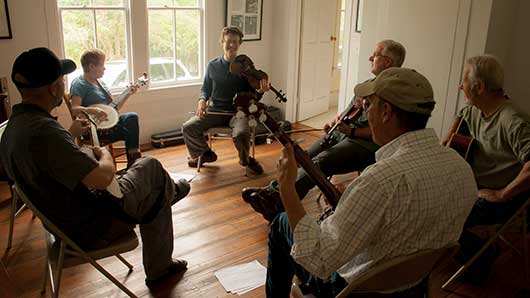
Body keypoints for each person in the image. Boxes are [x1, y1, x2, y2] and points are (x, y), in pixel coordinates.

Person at [265, 67, 478, 297]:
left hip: (353, 290)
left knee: (281, 223)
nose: (366, 113)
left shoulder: (380, 180)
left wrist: (287, 189)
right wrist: (351, 202)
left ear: (386, 111)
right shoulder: (461, 168)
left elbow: (319, 260)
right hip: (412, 287)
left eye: (368, 106)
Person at [1, 47, 190, 287]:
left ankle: (168, 191)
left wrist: (76, 147)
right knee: (151, 166)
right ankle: (161, 259)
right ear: (53, 88)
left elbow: (54, 164)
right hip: (95, 224)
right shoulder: (44, 132)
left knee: (152, 179)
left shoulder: (13, 128)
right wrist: (102, 154)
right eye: (62, 80)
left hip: (65, 221)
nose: (64, 85)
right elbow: (101, 177)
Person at [241, 39, 406, 222]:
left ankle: (279, 202)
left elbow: (385, 130)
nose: (370, 57)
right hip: (344, 133)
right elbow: (350, 110)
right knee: (302, 156)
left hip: (366, 143)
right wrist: (334, 120)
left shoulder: (394, 91)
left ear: (387, 62)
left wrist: (351, 133)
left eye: (375, 55)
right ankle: (272, 191)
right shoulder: (368, 84)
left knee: (321, 161)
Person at [443, 55, 530, 283]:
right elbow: (449, 141)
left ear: (479, 87)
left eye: (464, 81)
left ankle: (482, 254)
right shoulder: (471, 110)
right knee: (431, 203)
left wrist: (502, 194)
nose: (460, 86)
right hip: (476, 185)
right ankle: (474, 250)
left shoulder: (513, 121)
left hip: (507, 195)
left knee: (447, 215)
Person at [182, 26, 270, 174]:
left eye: (235, 42)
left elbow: (253, 96)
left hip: (238, 113)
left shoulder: (245, 68)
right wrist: (202, 100)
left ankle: (246, 160)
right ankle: (205, 154)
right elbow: (205, 88)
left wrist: (260, 91)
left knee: (241, 133)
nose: (232, 45)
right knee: (188, 127)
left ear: (240, 44)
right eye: (228, 41)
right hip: (214, 111)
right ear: (222, 42)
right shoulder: (213, 65)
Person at [69, 48, 141, 167]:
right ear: (92, 66)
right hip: (93, 130)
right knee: (130, 127)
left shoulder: (101, 83)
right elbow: (74, 109)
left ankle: (133, 161)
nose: (104, 68)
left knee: (132, 118)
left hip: (108, 126)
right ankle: (134, 163)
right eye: (102, 65)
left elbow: (113, 109)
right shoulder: (79, 83)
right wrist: (91, 110)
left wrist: (128, 94)